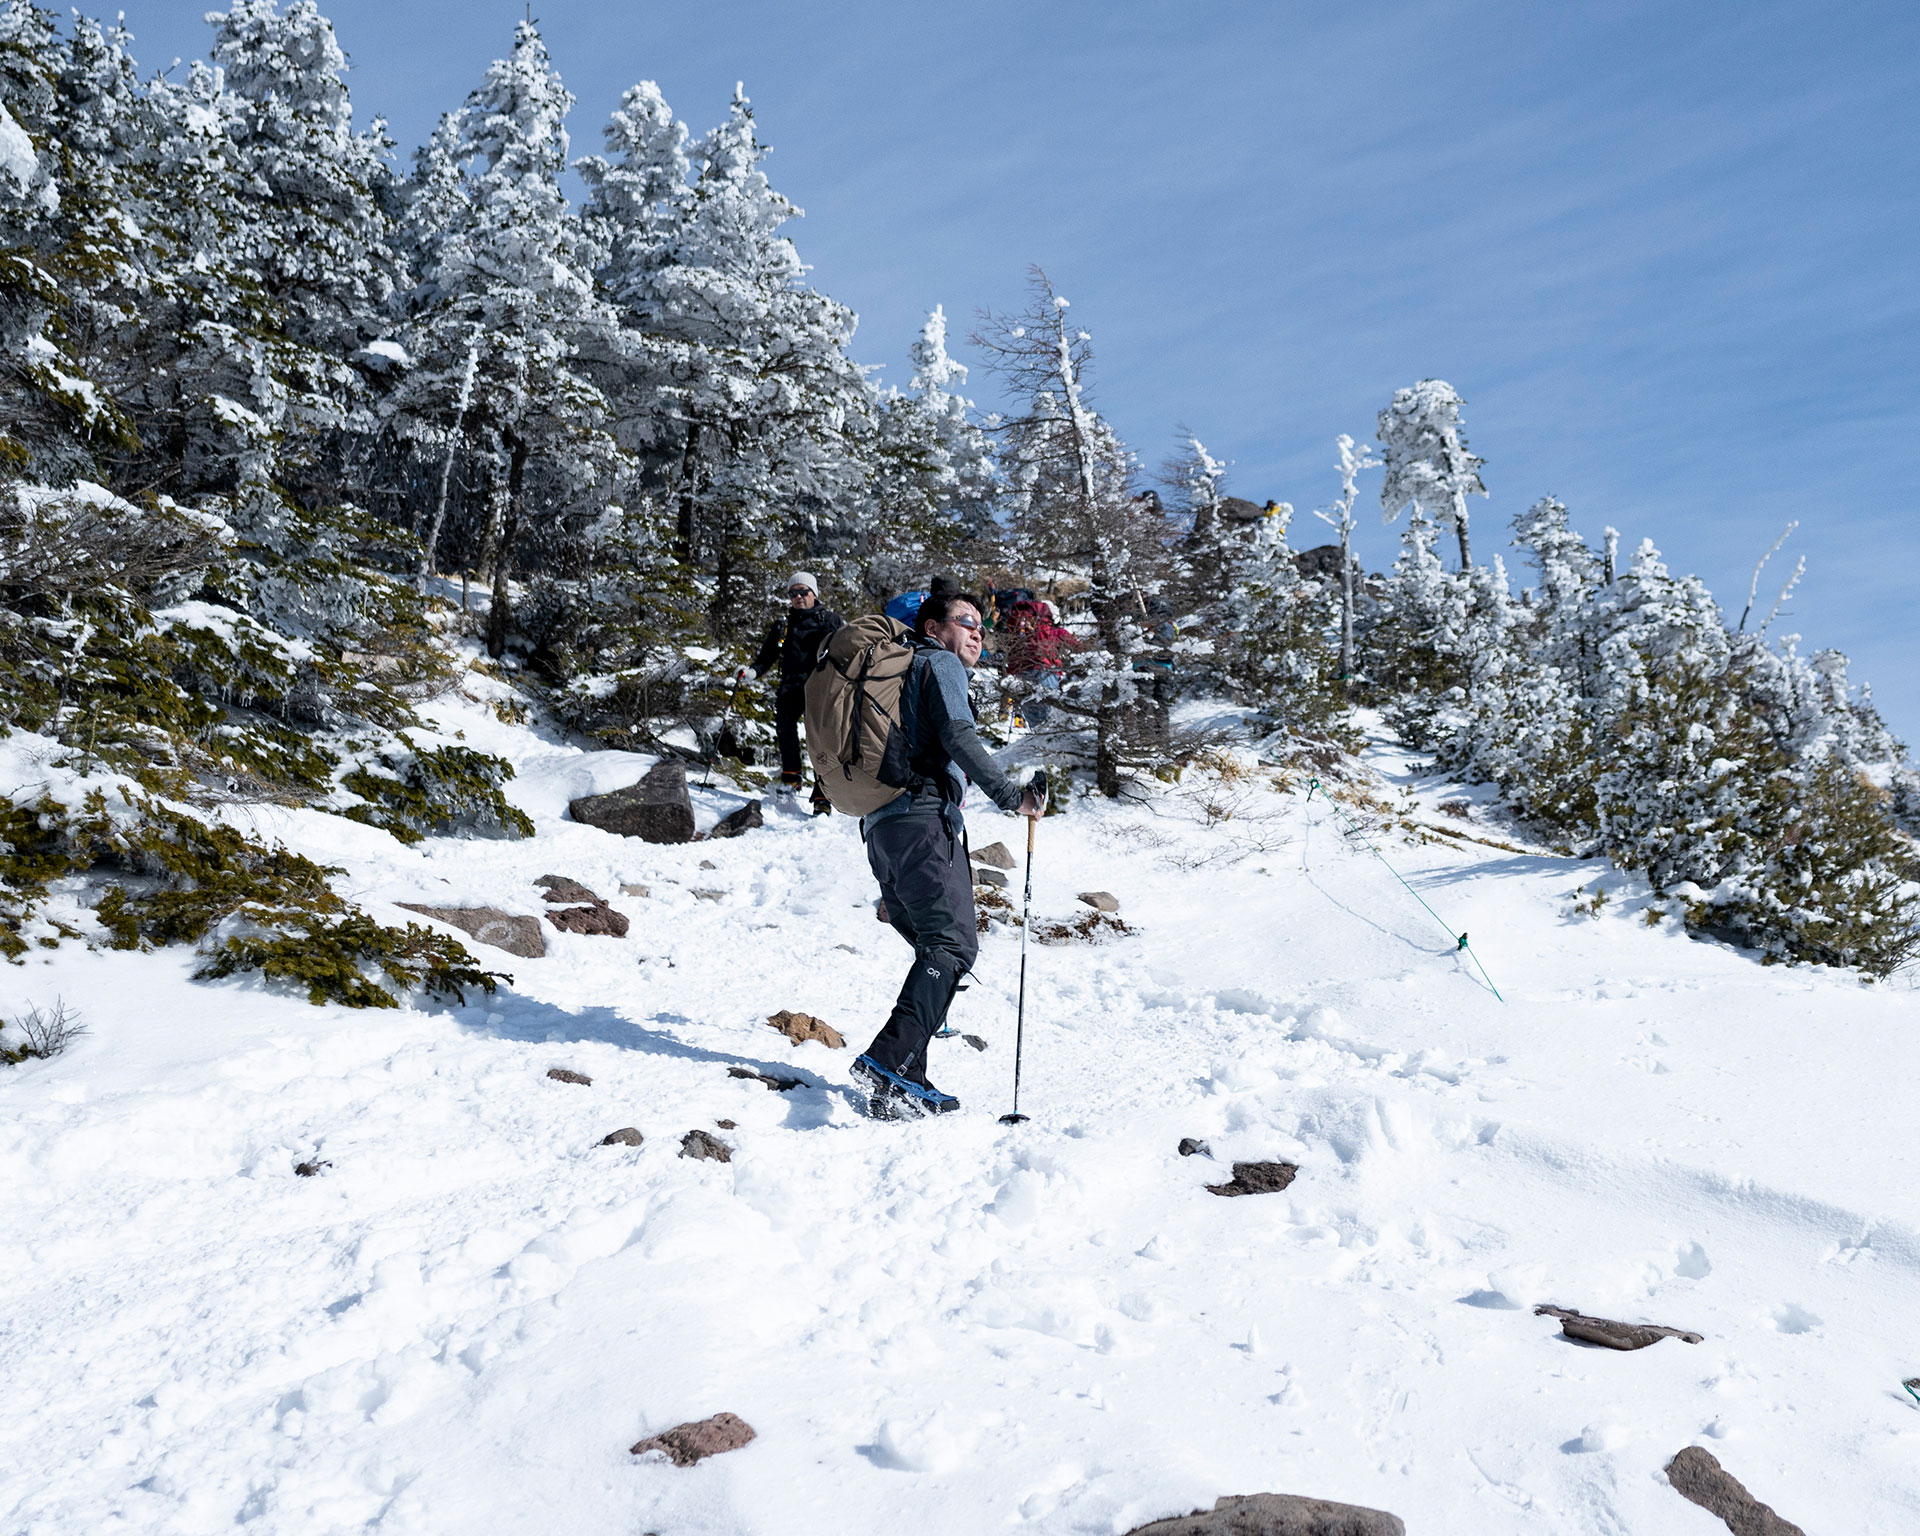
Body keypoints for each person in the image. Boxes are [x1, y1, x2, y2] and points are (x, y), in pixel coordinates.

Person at [851, 590, 1043, 1119]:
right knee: (952, 945)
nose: (978, 632)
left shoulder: (903, 672)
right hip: (922, 823)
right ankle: (887, 1060)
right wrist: (1012, 796)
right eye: (966, 622)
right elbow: (959, 735)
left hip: (883, 829)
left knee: (936, 951)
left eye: (983, 625)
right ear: (933, 628)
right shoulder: (939, 663)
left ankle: (905, 1078)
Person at [743, 572, 842, 814]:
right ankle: (791, 777)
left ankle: (822, 795)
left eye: (803, 592)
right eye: (793, 593)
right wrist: (752, 672)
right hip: (790, 686)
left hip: (819, 687)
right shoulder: (784, 624)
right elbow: (766, 656)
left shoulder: (830, 621)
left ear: (814, 594)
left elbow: (845, 652)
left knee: (819, 740)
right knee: (785, 729)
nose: (798, 597)